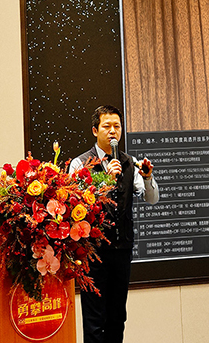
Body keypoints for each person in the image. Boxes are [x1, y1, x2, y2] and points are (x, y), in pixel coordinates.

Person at [69, 105, 158, 343]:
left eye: (117, 126)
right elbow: (74, 206)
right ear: (94, 130)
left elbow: (151, 199)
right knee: (94, 319)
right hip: (93, 252)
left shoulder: (130, 162)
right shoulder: (80, 164)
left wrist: (148, 177)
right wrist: (105, 180)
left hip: (122, 249)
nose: (112, 131)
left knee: (117, 317)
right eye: (106, 126)